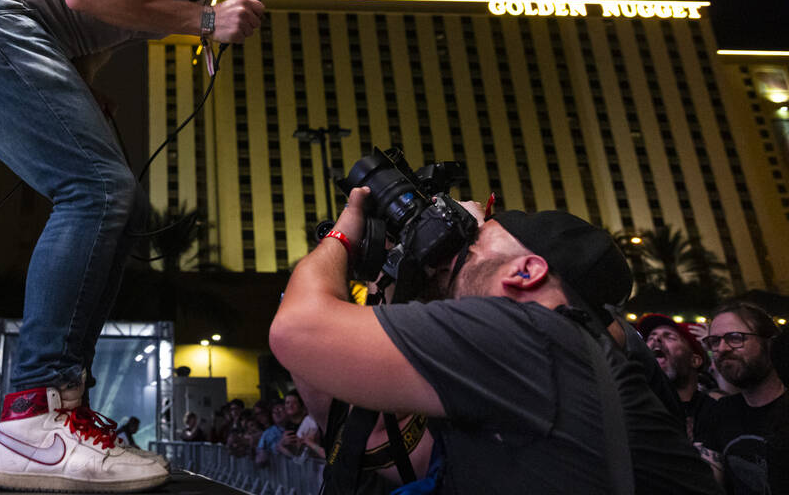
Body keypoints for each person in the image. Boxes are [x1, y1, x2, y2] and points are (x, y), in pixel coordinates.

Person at [0, 0, 386, 493]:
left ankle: (62, 410)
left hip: (1, 38)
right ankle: (32, 414)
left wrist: (87, 92)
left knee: (118, 202)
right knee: (99, 189)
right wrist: (204, 23)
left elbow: (90, 35)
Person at [269, 189, 719, 493]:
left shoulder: (533, 337)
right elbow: (384, 452)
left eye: (473, 242)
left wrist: (343, 235)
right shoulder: (563, 357)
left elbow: (297, 332)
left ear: (527, 272)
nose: (442, 261)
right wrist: (393, 279)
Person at [697, 301, 789, 495]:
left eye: (735, 338)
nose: (721, 348)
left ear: (769, 343)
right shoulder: (719, 412)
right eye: (714, 341)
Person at [638, 312, 717, 441]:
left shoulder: (714, 413)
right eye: (650, 338)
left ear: (694, 361)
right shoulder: (632, 408)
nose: (656, 340)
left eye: (670, 337)